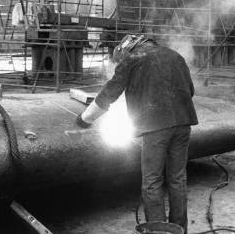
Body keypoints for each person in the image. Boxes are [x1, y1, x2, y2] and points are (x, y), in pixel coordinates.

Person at [76, 34, 198, 233]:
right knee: (178, 178)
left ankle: (159, 231)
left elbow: (110, 93)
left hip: (155, 127)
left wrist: (85, 118)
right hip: (184, 123)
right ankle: (178, 228)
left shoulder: (132, 58)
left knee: (152, 181)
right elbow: (190, 91)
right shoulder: (175, 56)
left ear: (127, 49)